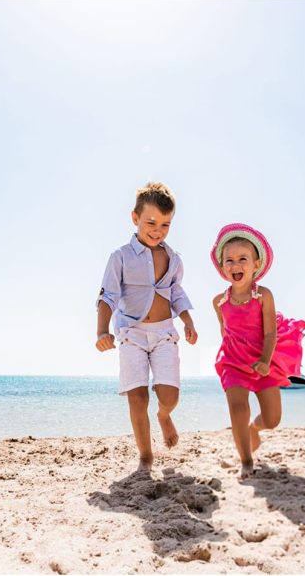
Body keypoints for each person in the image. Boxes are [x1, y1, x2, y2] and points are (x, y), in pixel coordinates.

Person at [95, 182, 198, 473]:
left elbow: (176, 293)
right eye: (151, 222)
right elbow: (108, 295)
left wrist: (188, 321)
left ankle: (164, 416)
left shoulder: (173, 259)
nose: (158, 230)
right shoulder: (120, 257)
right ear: (135, 218)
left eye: (166, 224)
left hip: (165, 332)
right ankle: (146, 456)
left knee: (170, 396)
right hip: (132, 333)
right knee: (137, 397)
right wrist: (102, 331)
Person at [210, 223, 305, 479]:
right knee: (238, 408)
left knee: (273, 419)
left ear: (256, 265)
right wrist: (231, 356)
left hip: (263, 359)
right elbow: (225, 331)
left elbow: (269, 332)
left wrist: (265, 360)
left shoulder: (263, 296)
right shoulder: (219, 302)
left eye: (243, 259)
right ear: (222, 268)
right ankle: (245, 460)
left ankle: (255, 428)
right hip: (233, 362)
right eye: (229, 260)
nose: (235, 265)